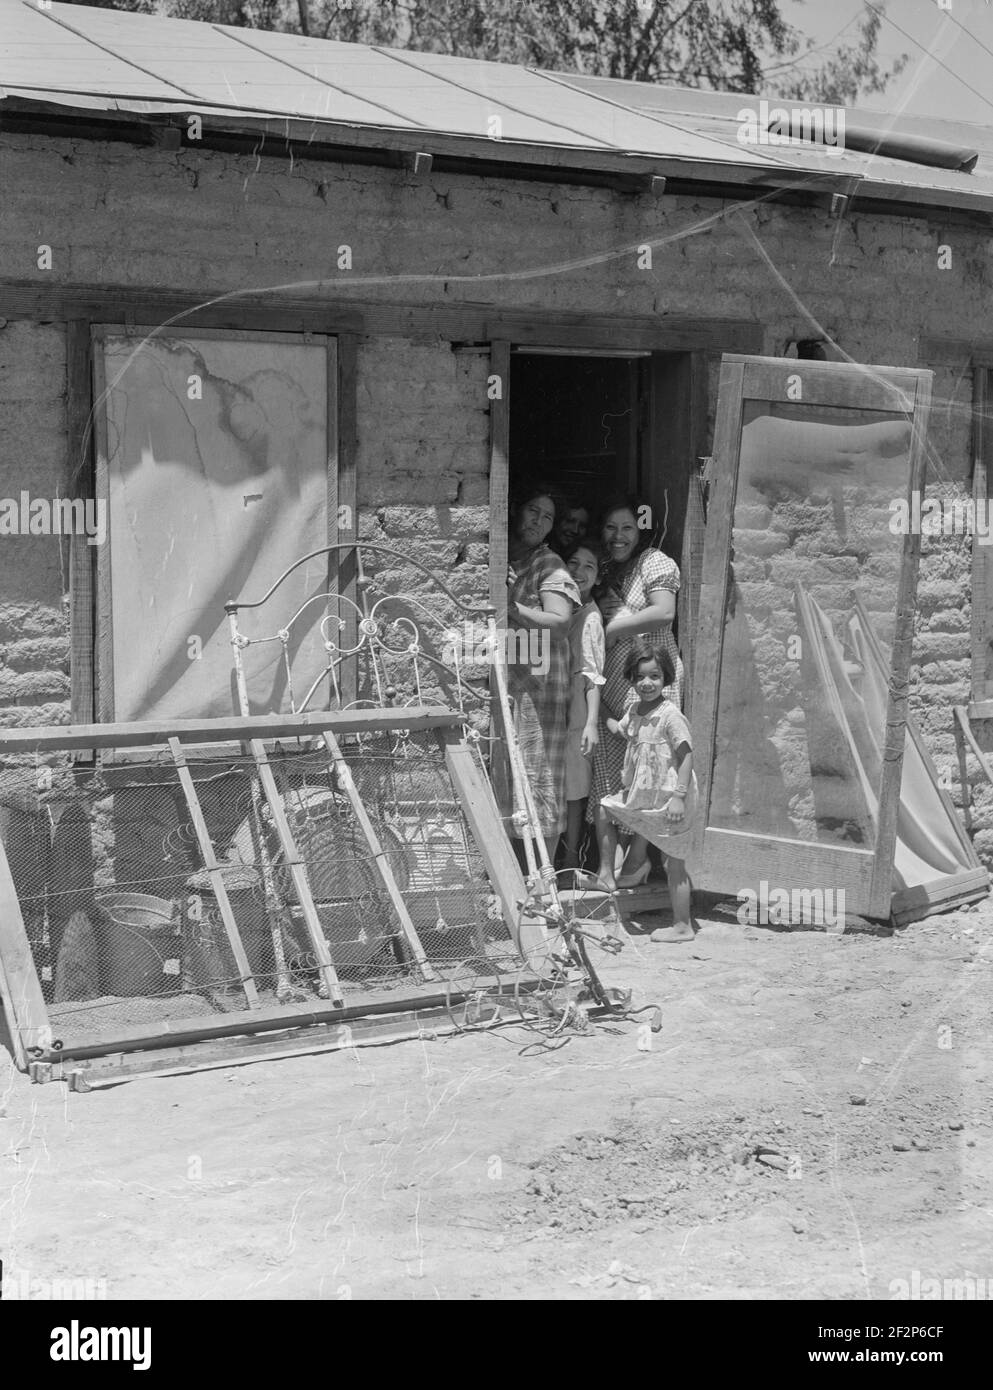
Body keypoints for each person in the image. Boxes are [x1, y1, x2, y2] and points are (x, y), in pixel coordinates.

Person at [588, 494, 683, 890]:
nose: (618, 535)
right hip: (612, 694)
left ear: (640, 530)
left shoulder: (655, 563)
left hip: (649, 689)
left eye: (627, 527)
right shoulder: (609, 571)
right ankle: (609, 870)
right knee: (611, 780)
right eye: (611, 527)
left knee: (651, 776)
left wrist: (610, 631)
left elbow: (663, 612)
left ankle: (639, 860)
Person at [601, 645, 697, 943]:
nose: (647, 683)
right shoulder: (635, 710)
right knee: (603, 810)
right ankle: (609, 874)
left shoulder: (670, 716)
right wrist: (597, 706)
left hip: (670, 799)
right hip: (645, 799)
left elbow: (687, 756)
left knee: (674, 862)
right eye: (641, 677)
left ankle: (683, 926)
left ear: (666, 678)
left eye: (655, 676)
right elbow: (621, 730)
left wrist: (679, 797)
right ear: (631, 678)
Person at [506, 485, 581, 851]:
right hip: (513, 686)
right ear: (517, 509)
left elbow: (560, 623)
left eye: (548, 516)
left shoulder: (548, 564)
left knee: (541, 775)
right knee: (513, 776)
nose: (538, 520)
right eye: (534, 510)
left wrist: (513, 610)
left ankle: (546, 879)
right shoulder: (505, 557)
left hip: (543, 692)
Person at [562, 541, 605, 874]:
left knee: (575, 792)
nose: (579, 571)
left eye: (588, 566)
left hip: (576, 718)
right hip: (557, 713)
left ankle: (572, 857)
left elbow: (592, 674)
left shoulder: (590, 617)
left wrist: (591, 722)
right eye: (573, 563)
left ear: (598, 577)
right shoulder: (566, 611)